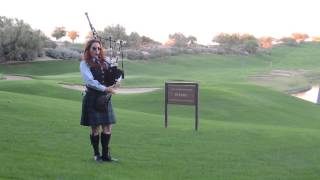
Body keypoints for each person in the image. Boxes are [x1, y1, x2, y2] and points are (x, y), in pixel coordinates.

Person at [79, 39, 119, 162]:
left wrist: (117, 79)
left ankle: (106, 155)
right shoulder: (84, 64)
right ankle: (97, 154)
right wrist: (105, 89)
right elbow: (90, 81)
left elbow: (116, 73)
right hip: (92, 97)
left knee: (107, 127)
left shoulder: (104, 61)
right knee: (95, 128)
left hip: (104, 99)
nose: (97, 51)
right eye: (94, 48)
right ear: (88, 50)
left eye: (99, 48)